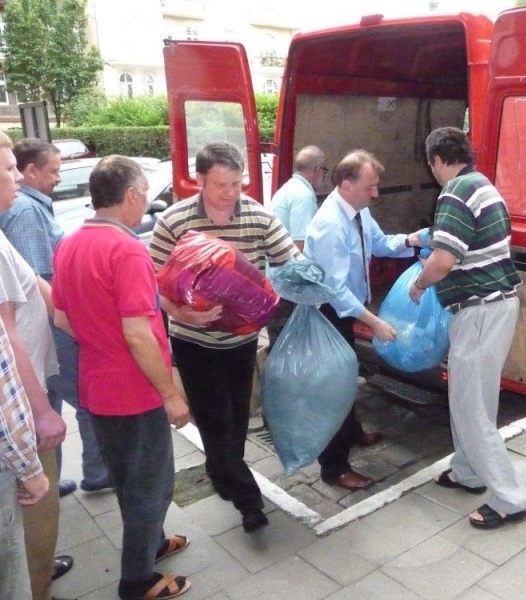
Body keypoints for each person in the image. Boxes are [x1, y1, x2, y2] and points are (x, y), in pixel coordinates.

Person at [52, 155, 192, 600]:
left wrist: (101, 340)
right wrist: (170, 394)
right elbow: (137, 333)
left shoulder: (71, 243)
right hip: (134, 390)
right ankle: (136, 580)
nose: (145, 202)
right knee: (152, 485)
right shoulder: (127, 248)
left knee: (129, 478)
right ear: (130, 195)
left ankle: (151, 542)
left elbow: (61, 317)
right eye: (145, 194)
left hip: (97, 383)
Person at [149, 141, 300, 533]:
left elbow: (290, 261)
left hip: (241, 342)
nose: (231, 193)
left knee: (235, 421)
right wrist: (182, 313)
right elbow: (148, 282)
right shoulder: (174, 220)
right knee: (215, 420)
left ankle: (221, 473)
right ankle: (250, 503)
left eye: (237, 183)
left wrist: (305, 281)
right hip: (193, 341)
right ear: (198, 180)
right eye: (221, 184)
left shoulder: (258, 217)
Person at [409, 126, 526, 530]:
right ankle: (468, 471)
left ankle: (510, 499)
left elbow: (443, 259)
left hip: (478, 311)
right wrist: (418, 236)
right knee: (477, 399)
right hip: (497, 307)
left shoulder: (454, 192)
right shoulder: (481, 185)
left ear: (437, 161)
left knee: (469, 406)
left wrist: (419, 283)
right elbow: (464, 236)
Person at [0, 138, 111, 505]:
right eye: (53, 171)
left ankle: (52, 477)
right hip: (43, 339)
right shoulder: (26, 213)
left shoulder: (24, 209)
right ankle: (86, 475)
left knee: (55, 406)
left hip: (43, 338)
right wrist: (76, 328)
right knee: (75, 404)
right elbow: (39, 282)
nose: (59, 178)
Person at [304, 150, 420, 490]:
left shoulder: (357, 213)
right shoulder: (329, 225)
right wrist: (374, 322)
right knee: (334, 388)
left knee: (347, 375)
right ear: (346, 184)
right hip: (329, 312)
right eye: (370, 187)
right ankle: (334, 467)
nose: (376, 193)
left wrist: (414, 240)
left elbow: (381, 244)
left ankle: (352, 433)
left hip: (344, 308)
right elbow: (335, 289)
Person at [0, 157, 50, 600]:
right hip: (22, 410)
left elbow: (34, 280)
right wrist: (44, 411)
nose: (20, 177)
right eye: (10, 168)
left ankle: (40, 575)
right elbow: (6, 346)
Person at [266, 146, 327, 349]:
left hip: (274, 277)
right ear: (316, 170)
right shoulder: (303, 196)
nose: (323, 177)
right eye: (323, 171)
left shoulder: (288, 188)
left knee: (280, 342)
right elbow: (299, 246)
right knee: (289, 344)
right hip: (285, 284)